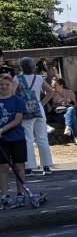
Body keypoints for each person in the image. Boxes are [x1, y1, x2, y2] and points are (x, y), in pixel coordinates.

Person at [16, 57, 54, 175]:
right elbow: (50, 91)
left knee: (28, 138)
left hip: (25, 109)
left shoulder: (17, 78)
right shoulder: (38, 78)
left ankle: (29, 167)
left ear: (21, 67)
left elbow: (12, 93)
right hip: (38, 108)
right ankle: (46, 166)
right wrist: (41, 103)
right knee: (42, 137)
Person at [0, 72, 28, 209]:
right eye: (1, 85)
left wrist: (2, 130)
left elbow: (18, 119)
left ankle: (21, 193)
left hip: (16, 137)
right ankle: (4, 196)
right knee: (3, 167)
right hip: (2, 140)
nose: (4, 87)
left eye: (7, 85)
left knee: (19, 166)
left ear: (12, 86)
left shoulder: (18, 101)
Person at [49, 77, 77, 146]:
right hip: (58, 113)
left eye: (55, 85)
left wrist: (68, 104)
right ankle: (76, 136)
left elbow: (75, 105)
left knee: (71, 110)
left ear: (61, 85)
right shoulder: (51, 92)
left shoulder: (70, 92)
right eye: (52, 85)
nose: (53, 86)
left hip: (68, 111)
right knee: (73, 117)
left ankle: (68, 128)